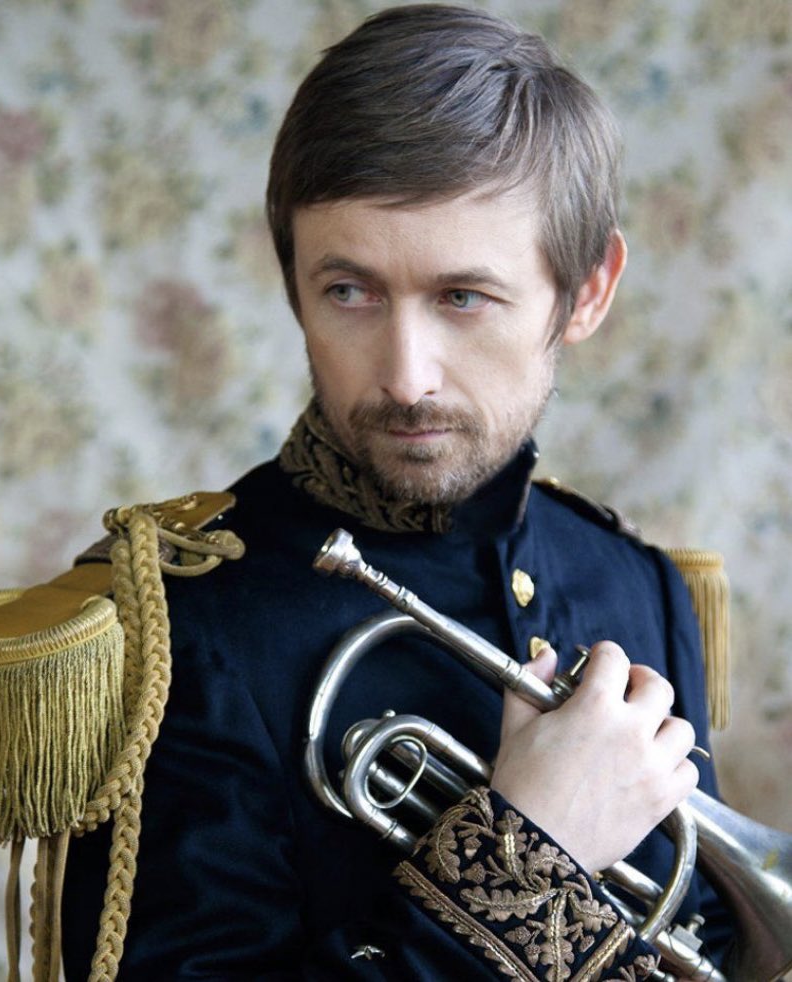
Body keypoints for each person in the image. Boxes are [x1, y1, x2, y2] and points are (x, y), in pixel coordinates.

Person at [61, 5, 732, 978]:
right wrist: (523, 854)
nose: (405, 375)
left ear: (585, 291)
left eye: (461, 296)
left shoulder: (641, 587)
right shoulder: (179, 633)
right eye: (350, 291)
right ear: (293, 280)